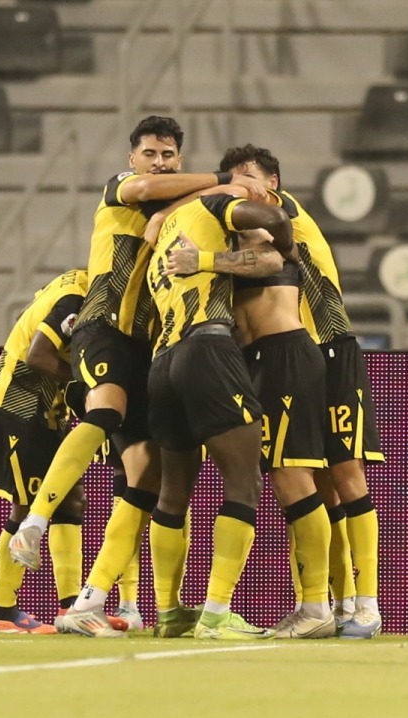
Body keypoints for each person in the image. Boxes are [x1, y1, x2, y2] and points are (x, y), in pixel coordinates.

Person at [9, 115, 268, 638]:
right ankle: (35, 522)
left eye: (168, 155)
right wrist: (224, 180)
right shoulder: (122, 188)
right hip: (105, 327)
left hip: (151, 349)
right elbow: (150, 191)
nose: (159, 163)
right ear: (132, 158)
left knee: (145, 481)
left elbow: (179, 203)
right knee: (105, 410)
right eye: (150, 153)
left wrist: (178, 207)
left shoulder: (177, 215)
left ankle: (92, 601)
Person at [180, 144, 385, 639]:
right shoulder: (243, 230)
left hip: (328, 345)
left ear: (271, 182)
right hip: (292, 352)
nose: (240, 187)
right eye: (233, 179)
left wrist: (188, 236)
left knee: (345, 473)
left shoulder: (277, 207)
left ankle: (365, 604)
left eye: (247, 178)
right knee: (316, 481)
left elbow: (272, 247)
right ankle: (332, 603)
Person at [148, 192, 293, 639]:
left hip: (162, 363)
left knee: (172, 494)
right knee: (244, 483)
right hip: (208, 347)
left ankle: (169, 613)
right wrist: (284, 246)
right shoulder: (210, 207)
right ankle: (215, 614)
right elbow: (273, 219)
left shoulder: (161, 242)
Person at [0, 269, 90, 635]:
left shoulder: (72, 281)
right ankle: (2, 611)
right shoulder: (77, 298)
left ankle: (72, 609)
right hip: (18, 408)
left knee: (70, 500)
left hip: (46, 412)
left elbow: (24, 316)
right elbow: (38, 355)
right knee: (27, 505)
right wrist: (86, 379)